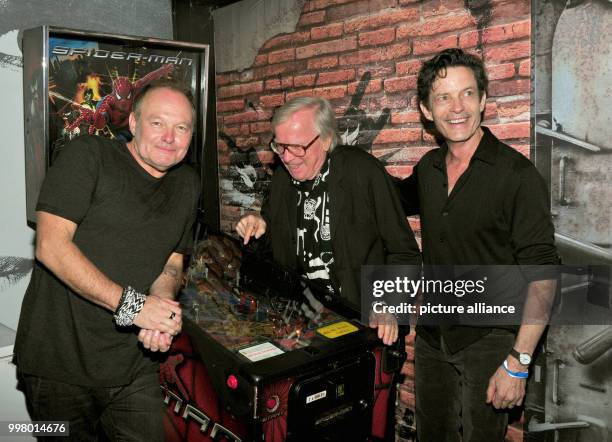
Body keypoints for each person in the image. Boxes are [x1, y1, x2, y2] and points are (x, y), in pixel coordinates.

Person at [14, 79, 200, 441]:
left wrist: (159, 310)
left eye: (182, 127)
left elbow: (172, 263)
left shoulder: (188, 184)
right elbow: (50, 246)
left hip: (133, 366)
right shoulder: (88, 155)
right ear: (133, 123)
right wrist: (134, 308)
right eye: (157, 123)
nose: (169, 137)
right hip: (58, 366)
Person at [399, 48, 558, 441]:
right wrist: (330, 159)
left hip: (491, 341)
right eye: (443, 97)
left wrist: (518, 362)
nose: (458, 108)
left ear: (484, 100)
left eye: (468, 93)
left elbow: (544, 276)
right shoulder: (428, 169)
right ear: (425, 109)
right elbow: (382, 197)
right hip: (434, 336)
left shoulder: (516, 176)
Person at [236, 96, 421, 344]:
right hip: (303, 329)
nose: (287, 157)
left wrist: (387, 304)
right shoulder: (281, 180)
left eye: (297, 147)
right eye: (280, 146)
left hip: (361, 325)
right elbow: (272, 254)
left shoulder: (362, 172)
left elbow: (404, 253)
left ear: (325, 140)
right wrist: (258, 227)